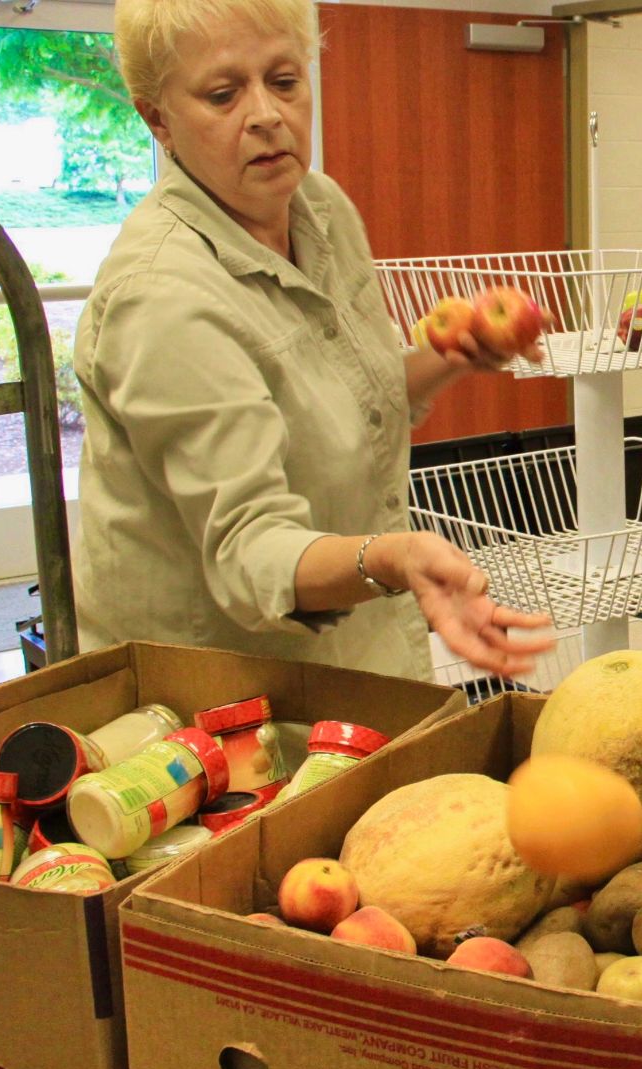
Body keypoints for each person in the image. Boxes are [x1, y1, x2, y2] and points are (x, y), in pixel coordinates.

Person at [74, 0, 554, 682]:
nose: (266, 114)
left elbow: (354, 395)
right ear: (157, 119)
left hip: (356, 661)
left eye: (285, 80)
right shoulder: (163, 298)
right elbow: (251, 552)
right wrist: (393, 558)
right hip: (218, 707)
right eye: (223, 94)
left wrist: (447, 356)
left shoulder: (320, 209)